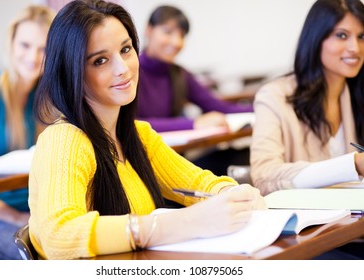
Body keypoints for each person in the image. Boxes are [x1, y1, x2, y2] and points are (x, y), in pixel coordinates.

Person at [29, 0, 265, 260]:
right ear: (71, 72)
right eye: (100, 60)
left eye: (126, 49)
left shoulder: (139, 135)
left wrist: (234, 195)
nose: (123, 68)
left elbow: (201, 184)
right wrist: (178, 224)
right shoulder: (64, 139)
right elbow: (59, 235)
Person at [250, 0, 364, 258]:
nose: (354, 48)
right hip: (309, 237)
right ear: (316, 39)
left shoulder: (355, 92)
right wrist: (353, 164)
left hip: (352, 228)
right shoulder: (275, 96)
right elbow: (264, 176)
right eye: (341, 35)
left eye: (362, 36)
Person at [0, 5, 55, 259]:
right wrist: (17, 217)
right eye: (25, 45)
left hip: (37, 214)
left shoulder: (49, 99)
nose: (33, 56)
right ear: (11, 44)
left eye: (43, 49)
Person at [136, 5, 253, 175]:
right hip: (143, 165)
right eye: (168, 32)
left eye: (181, 35)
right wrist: (194, 123)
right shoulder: (130, 73)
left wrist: (267, 105)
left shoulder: (179, 74)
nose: (176, 42)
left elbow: (218, 106)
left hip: (173, 161)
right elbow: (132, 124)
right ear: (149, 30)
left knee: (243, 157)